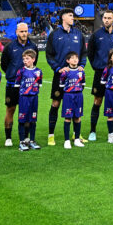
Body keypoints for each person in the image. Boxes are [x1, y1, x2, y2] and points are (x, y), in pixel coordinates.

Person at [45, 9, 86, 146]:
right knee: (56, 104)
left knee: (76, 105)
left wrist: (82, 65)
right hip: (61, 76)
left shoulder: (78, 34)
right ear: (63, 17)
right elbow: (49, 55)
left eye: (73, 16)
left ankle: (76, 135)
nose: (72, 18)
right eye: (70, 15)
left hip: (76, 76)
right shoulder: (54, 34)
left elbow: (84, 53)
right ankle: (51, 135)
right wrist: (58, 68)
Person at [86, 10, 113, 141]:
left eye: (109, 18)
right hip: (100, 72)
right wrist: (97, 67)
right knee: (97, 101)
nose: (107, 20)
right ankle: (92, 131)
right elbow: (90, 53)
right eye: (105, 18)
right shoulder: (96, 35)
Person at [1, 22, 38, 146]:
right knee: (10, 109)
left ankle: (26, 137)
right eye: (21, 31)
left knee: (27, 111)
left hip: (28, 85)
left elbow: (34, 63)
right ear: (17, 32)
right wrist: (13, 74)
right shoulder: (10, 47)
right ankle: (8, 138)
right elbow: (4, 64)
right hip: (12, 84)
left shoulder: (33, 46)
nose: (24, 33)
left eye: (26, 31)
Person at [14, 50, 43, 150]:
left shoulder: (38, 71)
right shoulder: (21, 71)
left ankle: (32, 140)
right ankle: (22, 141)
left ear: (33, 59)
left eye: (27, 58)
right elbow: (17, 85)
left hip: (34, 98)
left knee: (33, 120)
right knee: (22, 120)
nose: (25, 61)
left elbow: (39, 85)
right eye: (24, 59)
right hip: (24, 98)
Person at [59, 52, 87, 149]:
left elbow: (83, 84)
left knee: (77, 117)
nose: (75, 60)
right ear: (68, 61)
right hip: (68, 96)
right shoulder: (65, 72)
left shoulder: (81, 71)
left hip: (79, 95)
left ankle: (77, 139)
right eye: (72, 58)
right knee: (67, 118)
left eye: (76, 58)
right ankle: (67, 141)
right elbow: (61, 85)